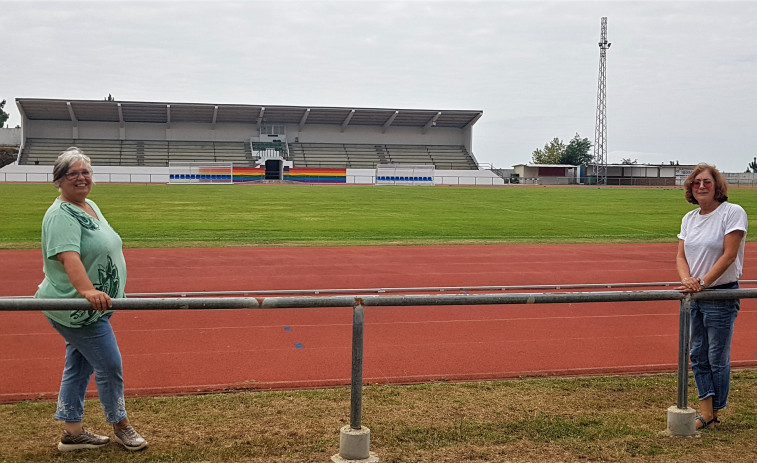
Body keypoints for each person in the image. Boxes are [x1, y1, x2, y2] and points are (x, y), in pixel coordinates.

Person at [34, 147, 148, 451]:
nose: (82, 178)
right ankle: (121, 425)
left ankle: (72, 433)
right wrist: (87, 291)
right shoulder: (60, 214)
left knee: (79, 364)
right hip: (77, 309)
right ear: (59, 179)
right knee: (110, 365)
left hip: (95, 307)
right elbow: (68, 257)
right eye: (74, 173)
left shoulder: (89, 205)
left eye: (86, 172)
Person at [676, 163, 748, 430]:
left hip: (720, 294)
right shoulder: (689, 218)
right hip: (694, 294)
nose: (701, 186)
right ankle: (706, 411)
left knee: (717, 356)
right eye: (696, 183)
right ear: (690, 189)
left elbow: (729, 255)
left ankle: (714, 410)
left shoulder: (732, 213)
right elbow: (681, 256)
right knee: (697, 353)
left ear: (717, 186)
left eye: (707, 181)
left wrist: (703, 283)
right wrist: (688, 280)